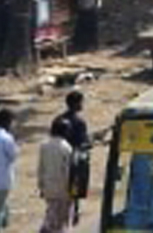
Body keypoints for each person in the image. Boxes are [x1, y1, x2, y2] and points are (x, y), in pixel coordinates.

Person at [38, 117, 73, 233]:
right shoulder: (66, 148)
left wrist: (41, 185)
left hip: (48, 186)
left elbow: (41, 167)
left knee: (51, 211)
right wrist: (70, 190)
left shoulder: (44, 145)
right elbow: (67, 171)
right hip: (62, 188)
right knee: (59, 218)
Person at [60, 91, 91, 223]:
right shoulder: (79, 122)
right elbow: (83, 143)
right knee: (75, 187)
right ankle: (74, 213)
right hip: (75, 159)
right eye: (81, 102)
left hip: (59, 159)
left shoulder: (58, 120)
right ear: (76, 103)